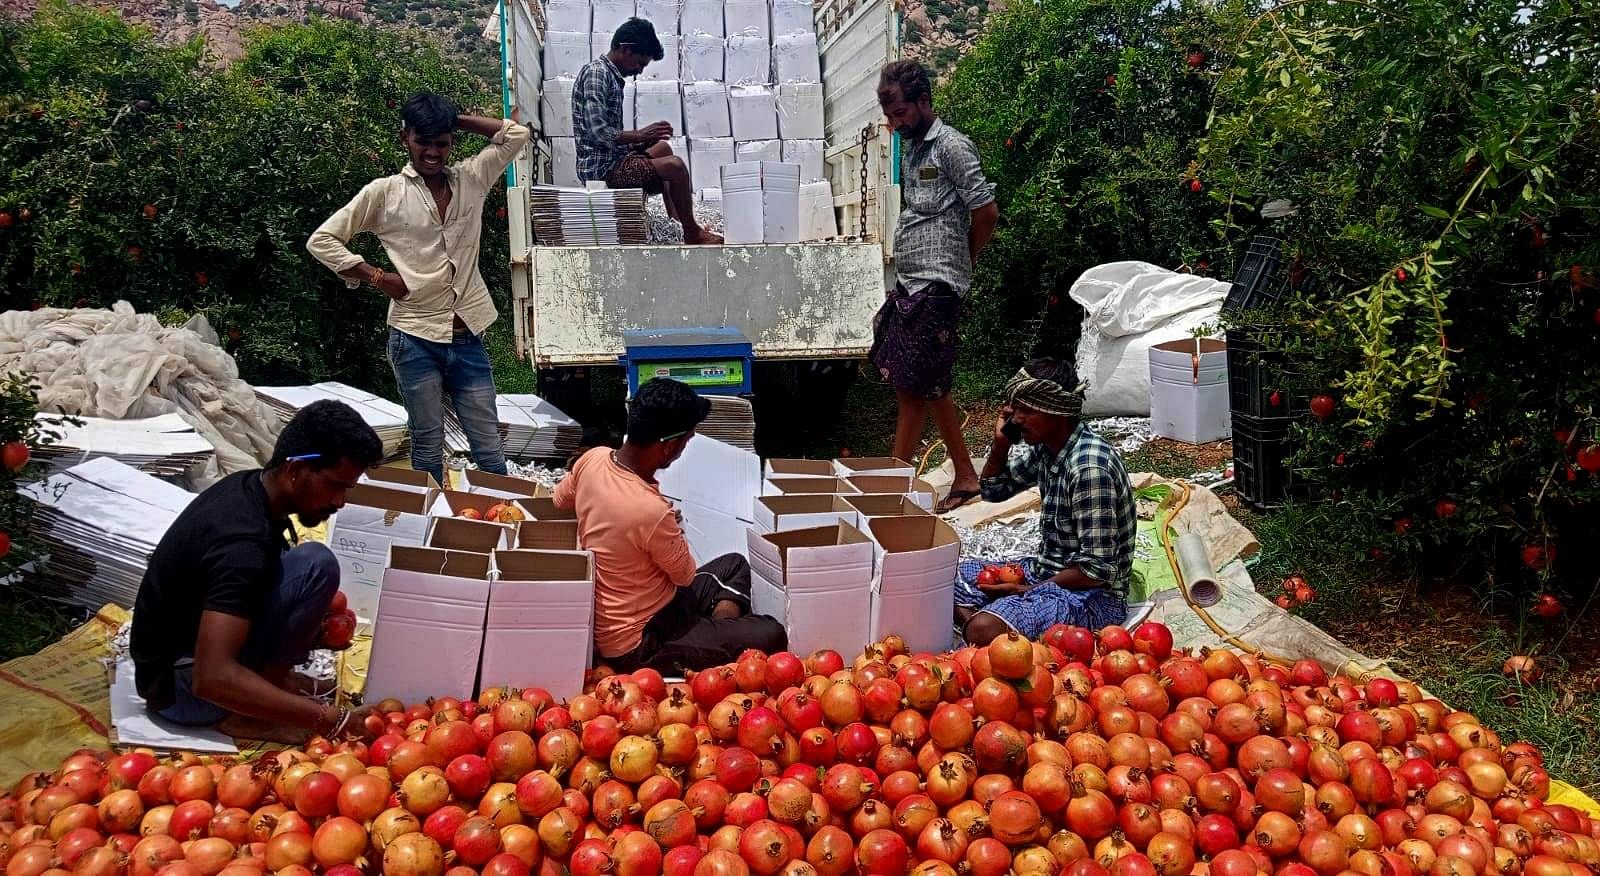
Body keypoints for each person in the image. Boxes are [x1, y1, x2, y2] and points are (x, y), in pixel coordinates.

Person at [307, 92, 531, 488]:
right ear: (404, 140)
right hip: (414, 338)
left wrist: (450, 119)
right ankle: (431, 533)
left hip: (467, 336)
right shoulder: (385, 192)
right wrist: (376, 276)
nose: (432, 152)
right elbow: (322, 240)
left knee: (488, 448)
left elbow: (515, 136)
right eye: (422, 142)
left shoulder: (471, 178)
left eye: (441, 143)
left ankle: (503, 526)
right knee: (427, 445)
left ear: (451, 143)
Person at [130, 400, 385, 743]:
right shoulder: (241, 543)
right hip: (183, 692)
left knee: (310, 564)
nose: (340, 501)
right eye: (335, 486)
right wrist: (328, 718)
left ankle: (271, 685)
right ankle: (246, 717)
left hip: (178, 662)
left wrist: (307, 629)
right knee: (315, 566)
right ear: (295, 471)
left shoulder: (251, 487)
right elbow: (212, 678)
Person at [553, 378, 784, 673]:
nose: (684, 450)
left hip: (661, 600)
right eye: (687, 441)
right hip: (640, 640)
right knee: (771, 633)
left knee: (735, 564)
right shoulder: (650, 510)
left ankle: (712, 635)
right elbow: (686, 575)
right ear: (668, 446)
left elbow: (560, 500)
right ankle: (712, 638)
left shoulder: (593, 459)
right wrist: (669, 528)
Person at [870, 59, 1000, 512]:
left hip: (938, 284)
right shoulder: (911, 148)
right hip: (912, 281)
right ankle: (965, 476)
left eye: (901, 113)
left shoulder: (951, 146)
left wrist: (963, 261)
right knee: (931, 384)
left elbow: (986, 213)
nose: (895, 123)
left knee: (912, 387)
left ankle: (891, 487)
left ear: (924, 101)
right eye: (889, 116)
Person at [954, 358, 1137, 645]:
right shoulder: (1048, 449)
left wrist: (1029, 589)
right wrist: (1001, 444)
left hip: (1092, 596)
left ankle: (986, 630)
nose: (1016, 420)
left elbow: (1096, 571)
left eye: (1026, 411)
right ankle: (995, 630)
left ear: (1058, 412)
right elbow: (993, 491)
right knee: (943, 580)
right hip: (1046, 570)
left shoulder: (1088, 469)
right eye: (1015, 410)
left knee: (984, 628)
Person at [572, 18, 723, 245]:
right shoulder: (597, 74)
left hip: (613, 159)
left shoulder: (610, 76)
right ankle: (692, 233)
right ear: (625, 50)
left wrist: (644, 140)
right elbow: (598, 133)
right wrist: (640, 136)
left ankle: (678, 222)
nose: (640, 71)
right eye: (640, 63)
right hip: (601, 170)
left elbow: (609, 138)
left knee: (663, 148)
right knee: (675, 167)